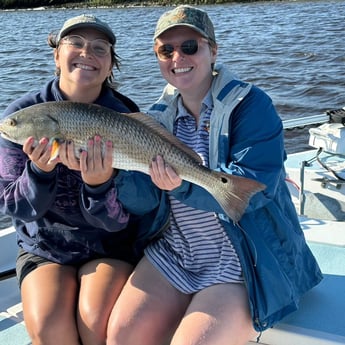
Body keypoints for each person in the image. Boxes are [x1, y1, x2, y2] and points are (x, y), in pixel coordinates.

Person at [106, 5, 323, 345]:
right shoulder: (155, 119)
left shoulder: (252, 105)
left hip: (242, 260)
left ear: (213, 50)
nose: (178, 56)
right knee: (121, 335)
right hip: (177, 251)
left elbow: (255, 191)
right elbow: (143, 202)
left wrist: (181, 186)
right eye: (166, 50)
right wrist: (111, 171)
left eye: (190, 46)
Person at [0, 14, 154, 345]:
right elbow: (15, 207)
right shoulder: (23, 115)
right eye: (75, 44)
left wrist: (98, 186)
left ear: (111, 63)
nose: (87, 53)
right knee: (48, 328)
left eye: (100, 48)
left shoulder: (125, 115)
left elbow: (129, 218)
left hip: (109, 246)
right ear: (56, 54)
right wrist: (40, 173)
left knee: (96, 322)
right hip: (45, 247)